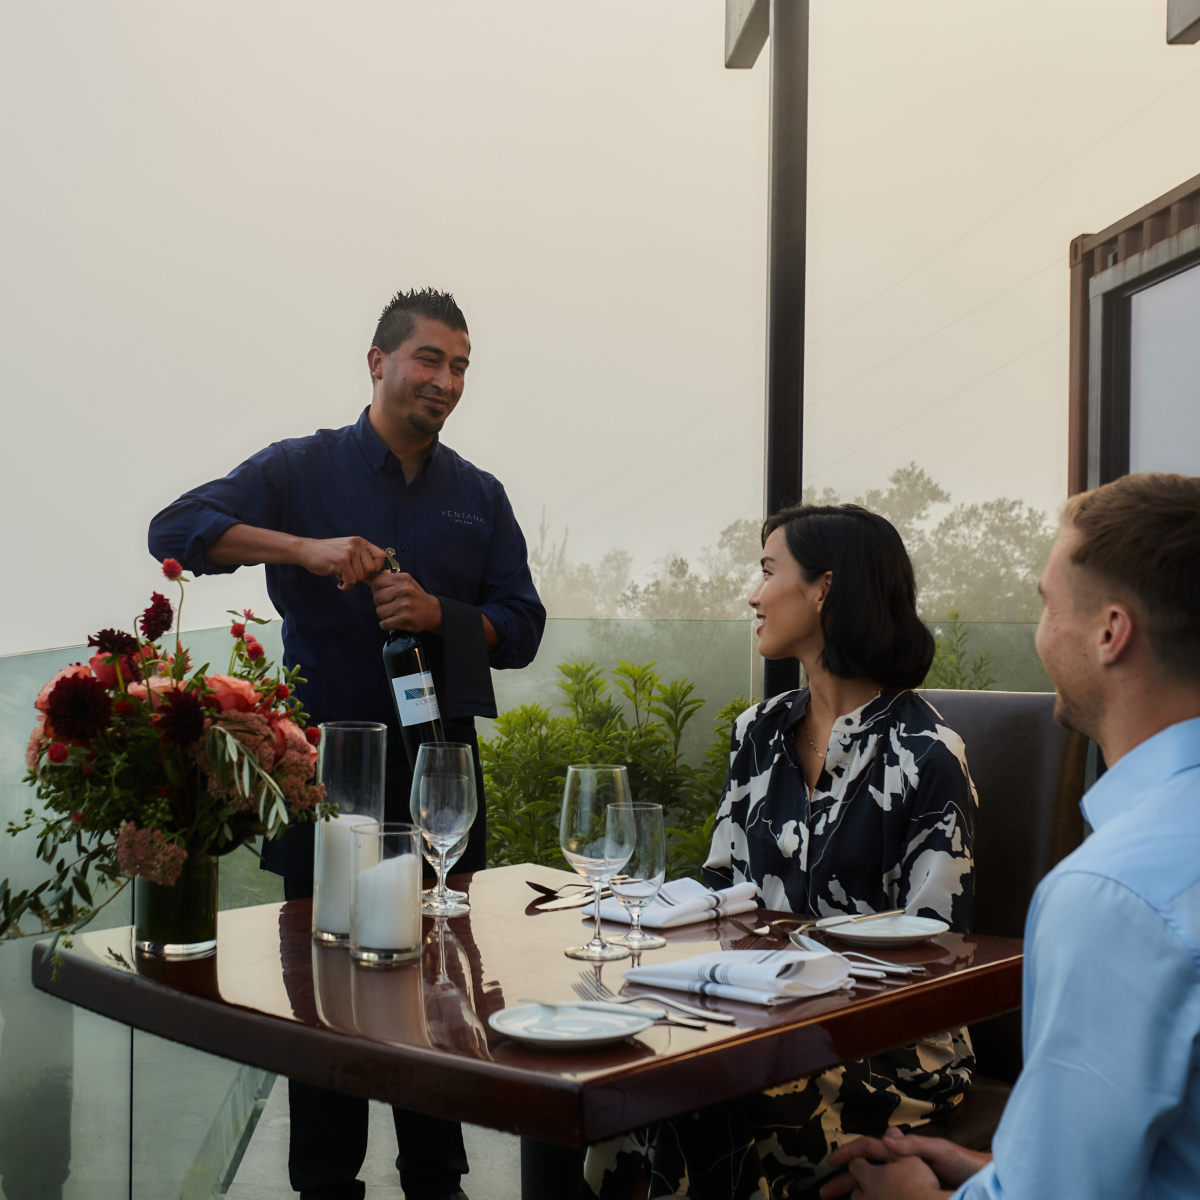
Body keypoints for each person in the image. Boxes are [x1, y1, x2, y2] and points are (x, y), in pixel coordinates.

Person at [148, 287, 546, 1200]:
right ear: (377, 361)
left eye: (460, 367)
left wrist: (446, 614)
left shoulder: (479, 496)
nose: (445, 381)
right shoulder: (302, 467)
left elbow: (521, 625)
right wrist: (303, 549)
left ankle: (435, 1181)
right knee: (325, 997)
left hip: (440, 771)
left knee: (436, 987)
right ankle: (324, 1183)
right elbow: (174, 532)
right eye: (429, 360)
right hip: (324, 773)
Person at [820, 471, 1200, 1200]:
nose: (1039, 631)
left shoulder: (1113, 896)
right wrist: (1000, 1172)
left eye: (1046, 603)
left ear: (1111, 633)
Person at [585, 504, 977, 1200]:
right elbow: (720, 892)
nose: (753, 593)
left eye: (768, 571)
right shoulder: (758, 731)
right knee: (627, 1087)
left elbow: (936, 956)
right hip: (758, 1026)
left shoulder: (927, 755)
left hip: (889, 1049)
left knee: (695, 1103)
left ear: (823, 589)